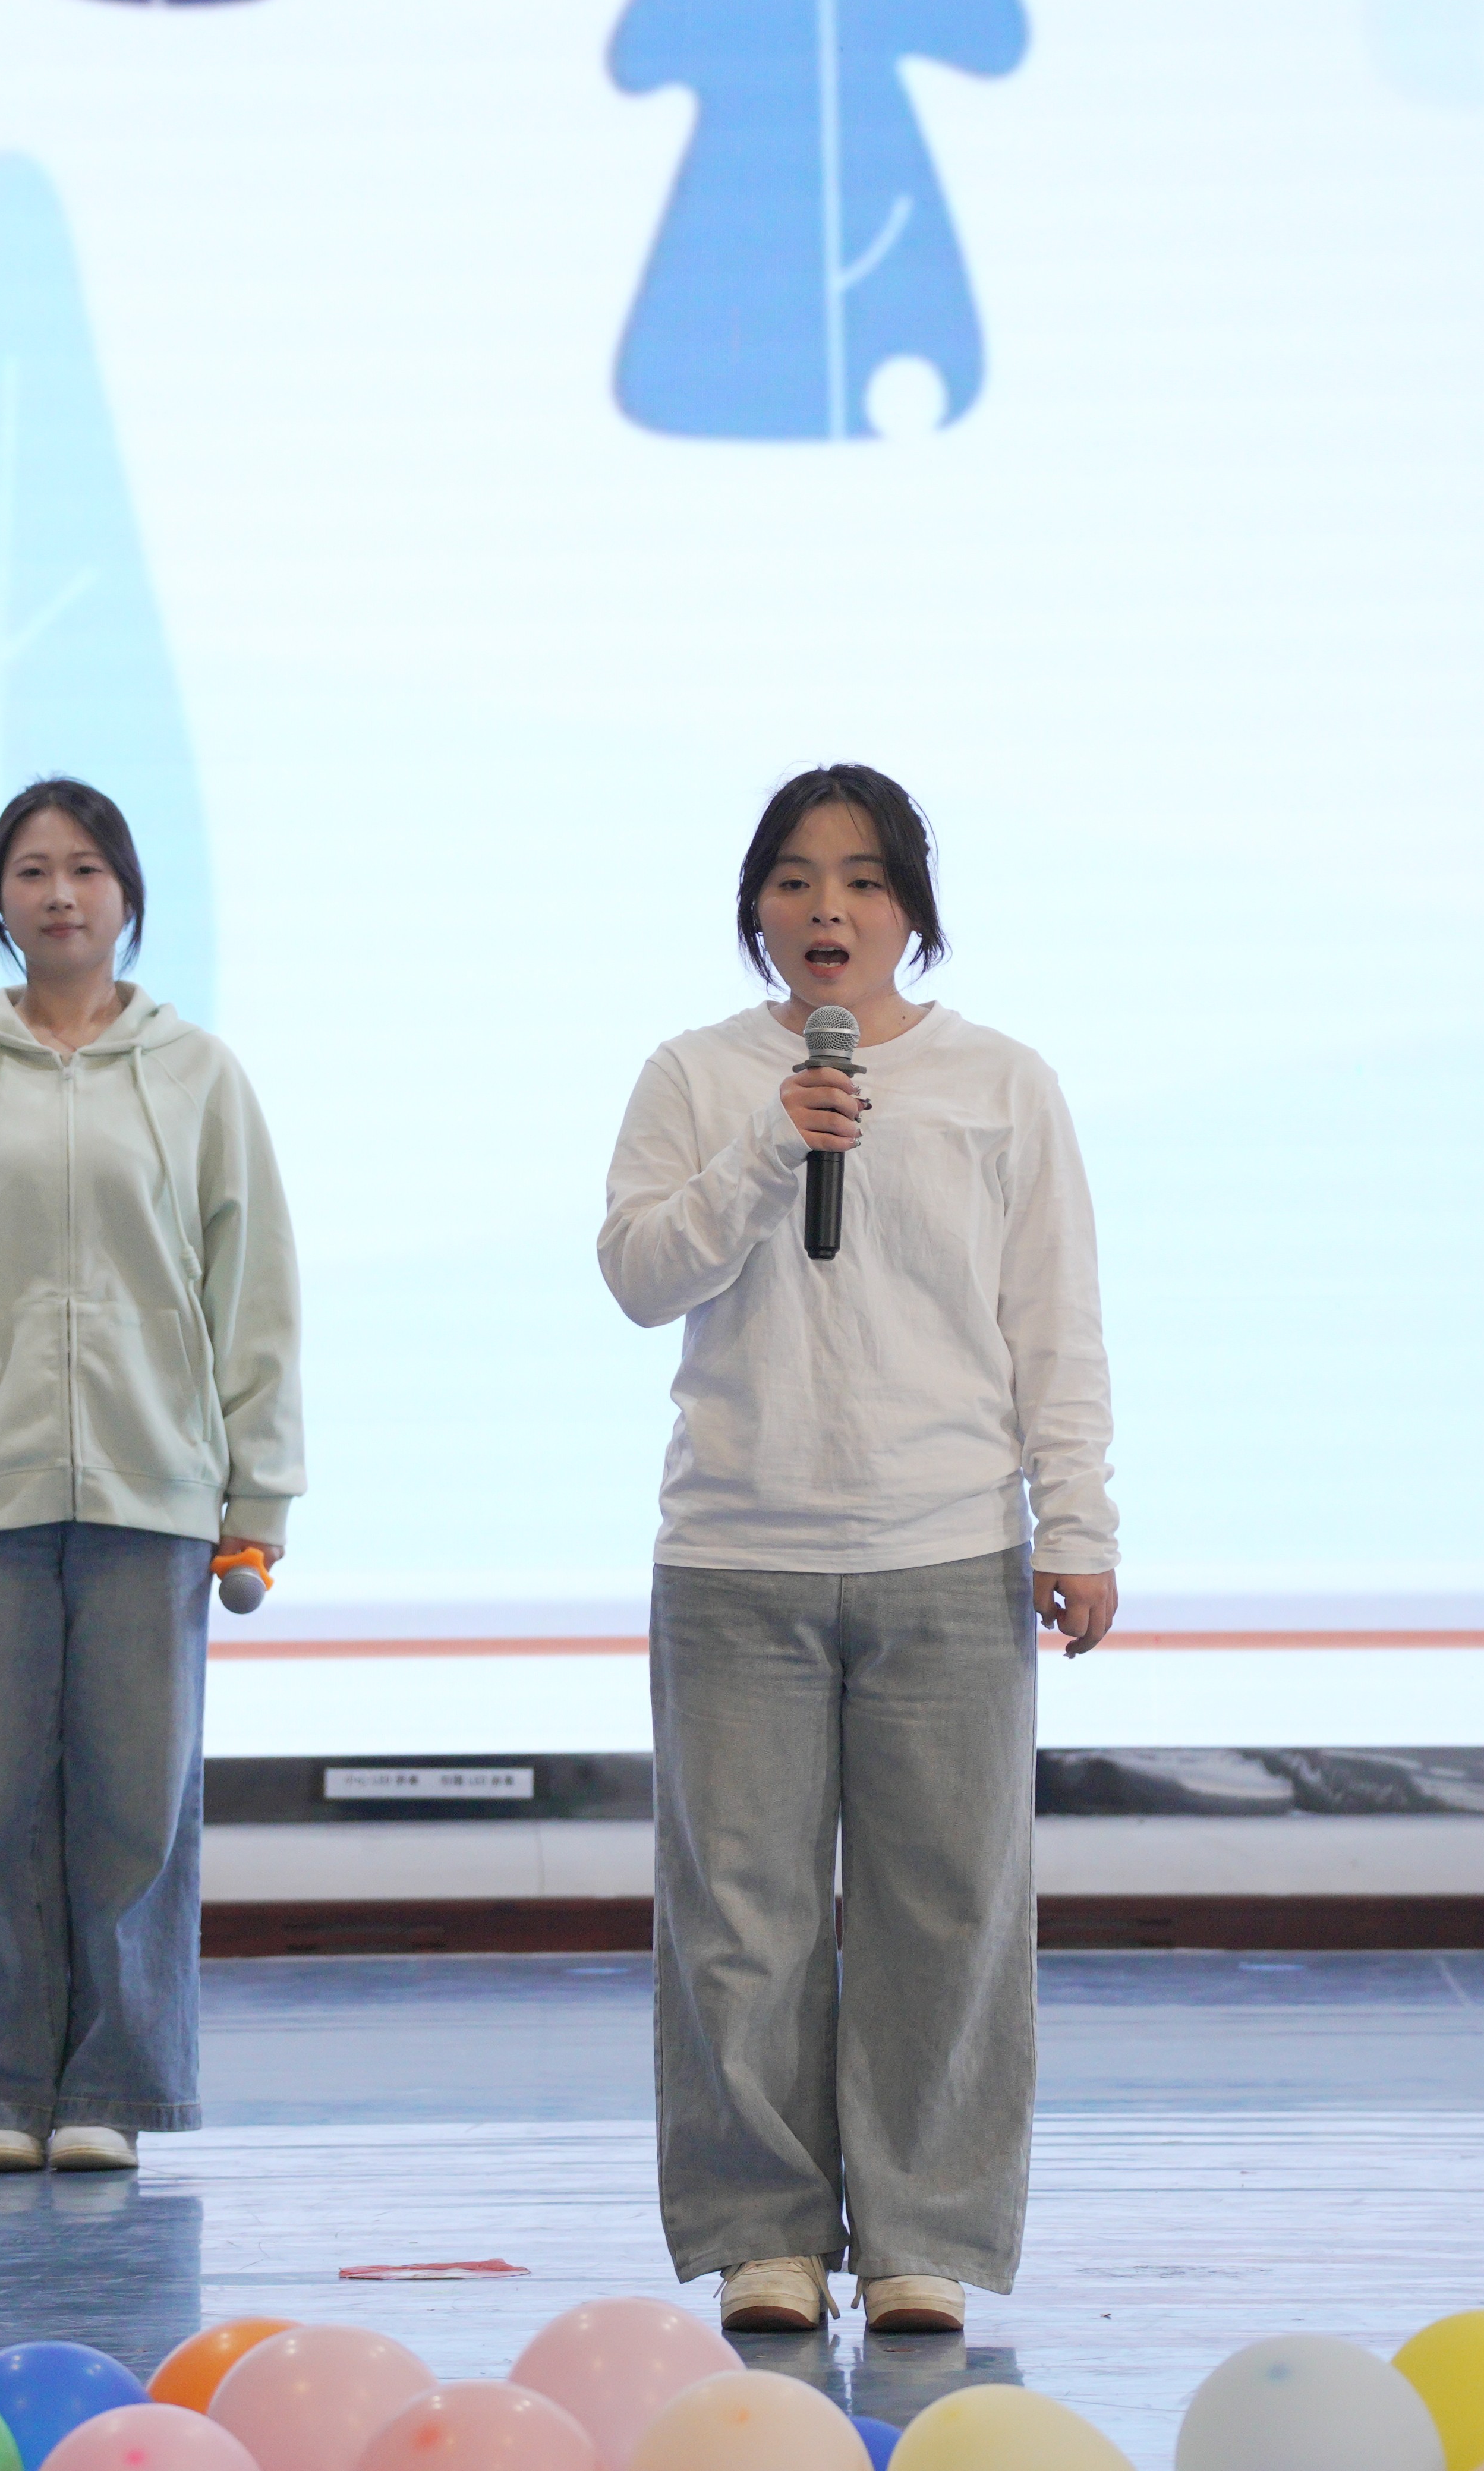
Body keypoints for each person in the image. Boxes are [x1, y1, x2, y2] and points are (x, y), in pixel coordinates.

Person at [598, 762, 1119, 2338]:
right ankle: (761, 2233)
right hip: (734, 1552)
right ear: (757, 908)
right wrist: (771, 1149)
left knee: (947, 1913)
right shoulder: (698, 1075)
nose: (829, 907)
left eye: (866, 878)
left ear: (913, 911)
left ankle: (921, 2237)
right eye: (797, 878)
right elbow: (638, 1273)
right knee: (739, 1920)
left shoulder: (1001, 1082)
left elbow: (1054, 1318)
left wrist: (1076, 1517)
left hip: (947, 1547)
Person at [0, 776, 301, 2175]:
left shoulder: (199, 1074)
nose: (61, 892)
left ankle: (117, 2087)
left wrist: (259, 1493)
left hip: (157, 1491)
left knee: (137, 1812)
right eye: (34, 868)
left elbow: (253, 1293)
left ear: (128, 895)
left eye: (88, 866)